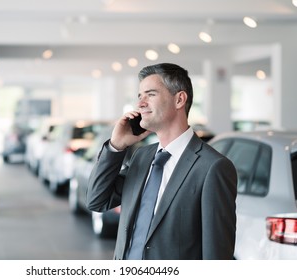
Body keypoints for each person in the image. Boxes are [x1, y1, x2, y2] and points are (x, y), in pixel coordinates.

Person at [86, 62, 237, 260]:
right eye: (140, 96)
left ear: (179, 100)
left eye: (150, 94)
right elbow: (97, 200)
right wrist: (116, 145)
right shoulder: (142, 157)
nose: (140, 103)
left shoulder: (212, 167)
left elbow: (216, 256)